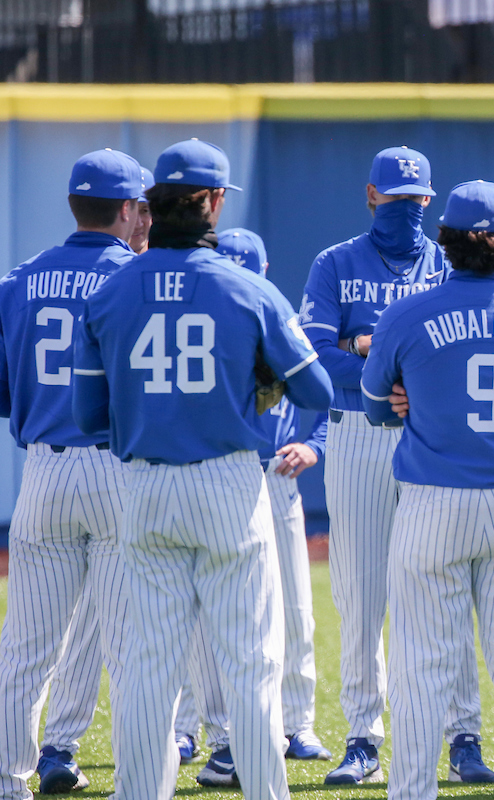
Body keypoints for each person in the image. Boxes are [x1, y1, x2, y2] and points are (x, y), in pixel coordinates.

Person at [71, 138, 334, 800]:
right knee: (249, 660)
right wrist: (259, 383)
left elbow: (85, 417)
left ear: (153, 205)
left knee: (152, 667)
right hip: (227, 482)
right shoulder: (248, 287)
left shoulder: (110, 291)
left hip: (146, 486)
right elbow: (319, 393)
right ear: (214, 203)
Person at [361, 179, 494, 800]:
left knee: (423, 667)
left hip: (432, 503)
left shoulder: (405, 313)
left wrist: (412, 398)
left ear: (445, 241)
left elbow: (374, 406)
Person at [299, 146, 494, 785]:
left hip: (431, 431)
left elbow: (473, 340)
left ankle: (462, 733)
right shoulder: (335, 263)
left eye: (416, 200)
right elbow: (317, 356)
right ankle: (363, 733)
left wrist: (379, 355)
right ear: (370, 195)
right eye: (394, 197)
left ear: (430, 202)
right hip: (357, 434)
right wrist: (384, 380)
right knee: (358, 589)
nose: (404, 209)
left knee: (448, 586)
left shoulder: (448, 264)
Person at [0, 149, 143, 799]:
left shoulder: (19, 280)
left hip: (44, 471)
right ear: (125, 209)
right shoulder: (136, 279)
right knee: (133, 642)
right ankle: (138, 781)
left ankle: (12, 778)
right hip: (117, 468)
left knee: (26, 646)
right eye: (141, 205)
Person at [180, 228, 333, 788]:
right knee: (205, 606)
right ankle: (207, 729)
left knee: (293, 605)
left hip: (275, 475)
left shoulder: (276, 317)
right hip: (225, 472)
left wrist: (314, 445)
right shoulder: (228, 318)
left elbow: (325, 398)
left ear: (264, 268)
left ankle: (297, 724)